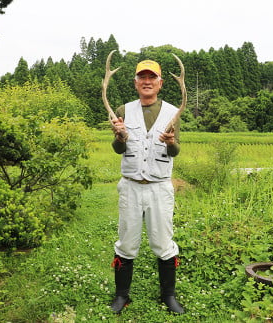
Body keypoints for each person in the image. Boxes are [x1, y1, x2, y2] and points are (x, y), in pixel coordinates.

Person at [109, 59, 184, 314]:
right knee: (127, 242)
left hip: (159, 187)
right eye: (142, 77)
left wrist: (171, 141)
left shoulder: (173, 112)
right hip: (131, 186)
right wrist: (119, 136)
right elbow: (118, 148)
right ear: (136, 82)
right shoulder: (124, 109)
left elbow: (175, 150)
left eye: (152, 77)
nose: (147, 81)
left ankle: (168, 296)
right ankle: (121, 296)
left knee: (163, 242)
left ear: (160, 83)